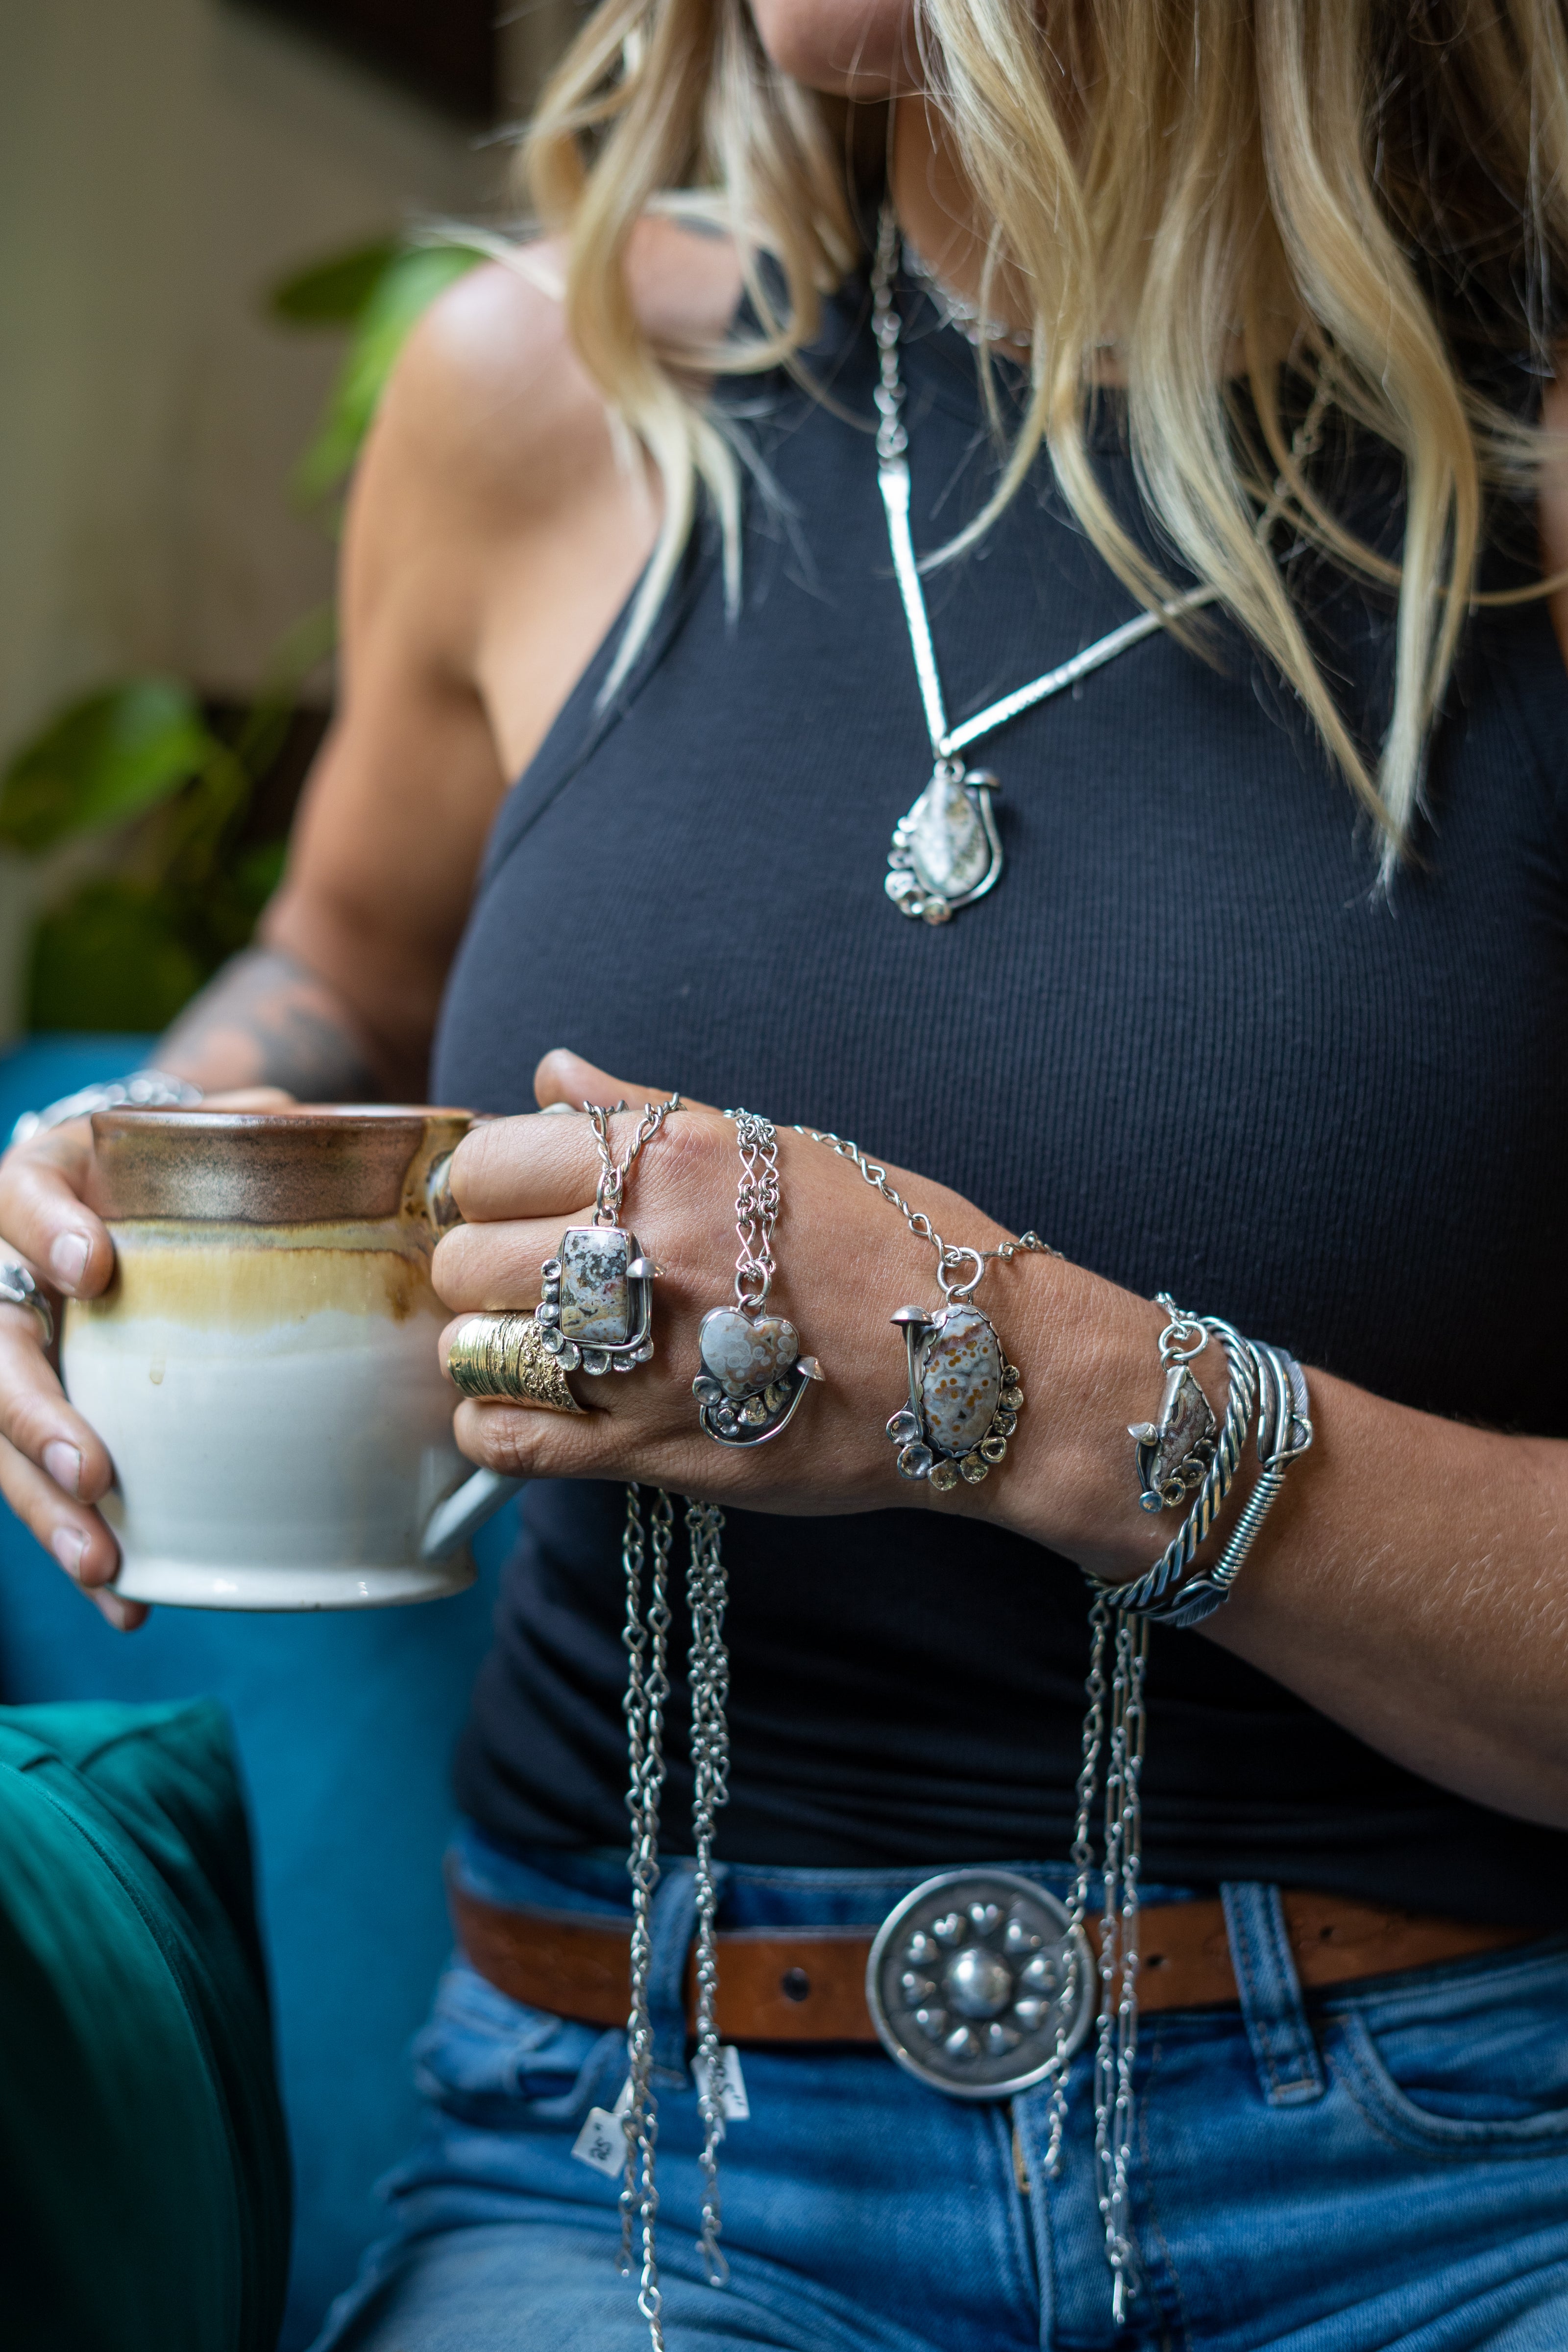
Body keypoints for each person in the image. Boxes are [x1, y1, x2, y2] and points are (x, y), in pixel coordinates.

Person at [5, 1, 1568, 2344]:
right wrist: (147, 1159)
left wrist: (1005, 1385)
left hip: (1462, 2160)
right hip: (637, 2162)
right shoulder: (539, 396)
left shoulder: (1523, 476)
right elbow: (342, 959)